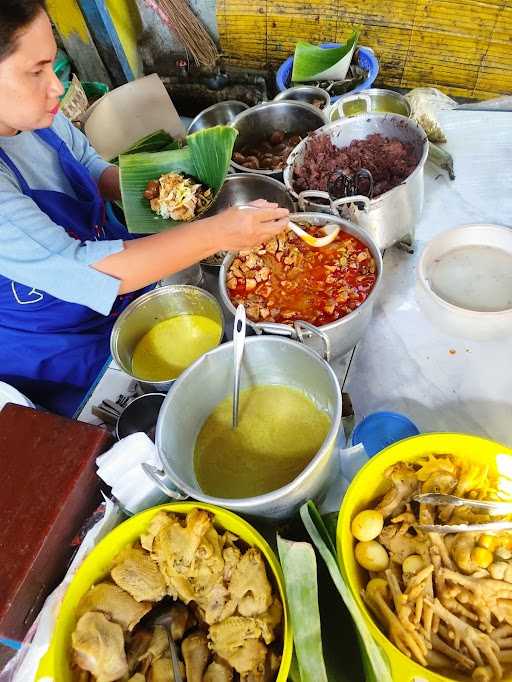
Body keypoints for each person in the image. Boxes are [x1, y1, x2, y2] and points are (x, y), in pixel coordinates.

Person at [0, 0, 290, 416]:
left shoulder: (31, 114)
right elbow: (87, 271)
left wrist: (164, 193)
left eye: (53, 64)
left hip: (114, 271)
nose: (58, 87)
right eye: (35, 71)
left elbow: (85, 162)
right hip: (59, 337)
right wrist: (219, 233)